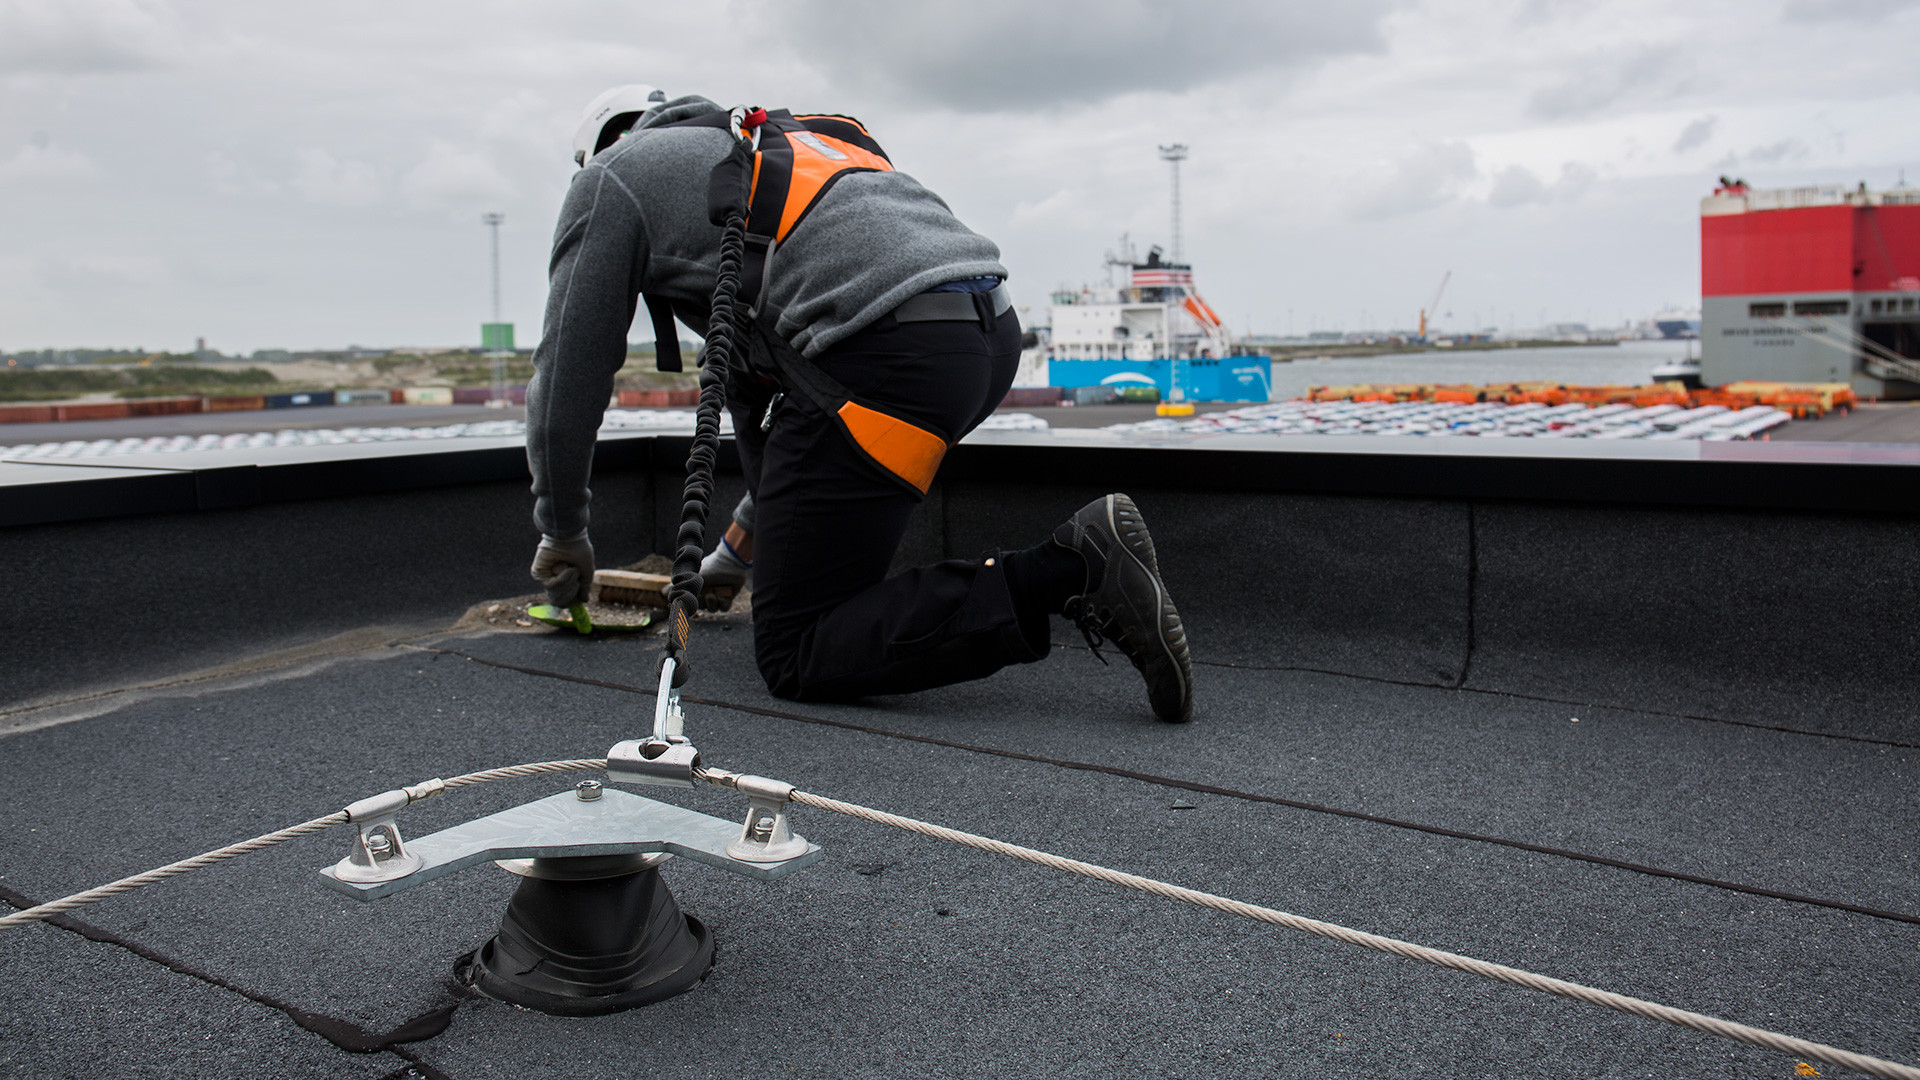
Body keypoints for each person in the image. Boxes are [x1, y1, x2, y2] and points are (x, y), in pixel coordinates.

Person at [525, 85, 1193, 723]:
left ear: (601, 146)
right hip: (985, 337)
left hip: (888, 354)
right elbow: (778, 402)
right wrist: (735, 554)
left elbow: (566, 376)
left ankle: (1069, 569)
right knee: (812, 576)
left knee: (795, 650)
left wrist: (563, 533)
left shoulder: (610, 180)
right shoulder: (779, 147)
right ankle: (1069, 568)